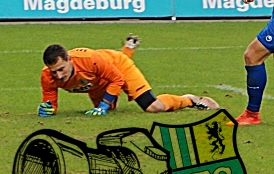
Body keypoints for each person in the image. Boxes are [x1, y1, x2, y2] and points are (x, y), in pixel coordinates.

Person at [38, 38, 219, 117]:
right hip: (99, 82)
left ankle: (189, 100)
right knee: (110, 110)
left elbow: (117, 79)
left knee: (153, 107)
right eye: (54, 71)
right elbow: (50, 103)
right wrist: (47, 110)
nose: (59, 75)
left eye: (61, 69)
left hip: (118, 69)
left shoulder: (90, 60)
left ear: (69, 60)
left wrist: (102, 105)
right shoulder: (48, 76)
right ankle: (127, 50)